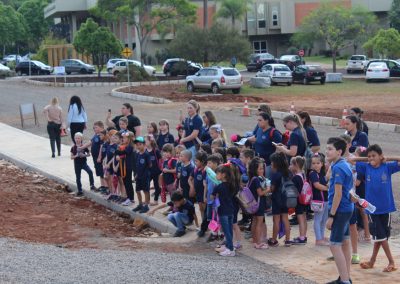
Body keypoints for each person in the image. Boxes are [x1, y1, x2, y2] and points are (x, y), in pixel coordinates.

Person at [354, 144, 400, 273]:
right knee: (380, 236)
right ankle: (391, 261)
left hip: (386, 207)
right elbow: (350, 160)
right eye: (368, 156)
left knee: (382, 237)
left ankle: (372, 261)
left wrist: (387, 157)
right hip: (371, 208)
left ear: (381, 156)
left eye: (374, 156)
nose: (370, 158)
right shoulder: (366, 167)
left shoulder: (388, 167)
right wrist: (366, 159)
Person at [325, 137, 354, 284]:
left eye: (330, 149)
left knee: (334, 245)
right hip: (347, 208)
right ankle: (345, 277)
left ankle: (344, 281)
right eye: (327, 148)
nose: (327, 151)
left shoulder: (338, 167)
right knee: (345, 242)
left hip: (340, 210)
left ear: (339, 151)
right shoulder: (343, 164)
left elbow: (338, 193)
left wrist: (331, 215)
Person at [211, 163, 239, 257]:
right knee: (229, 230)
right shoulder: (232, 185)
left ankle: (230, 250)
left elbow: (212, 197)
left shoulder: (218, 187)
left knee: (226, 231)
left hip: (223, 211)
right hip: (231, 210)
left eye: (217, 173)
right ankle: (229, 246)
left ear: (223, 175)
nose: (216, 175)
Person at [248, 112, 282, 178]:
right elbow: (256, 138)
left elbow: (279, 149)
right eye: (258, 120)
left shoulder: (274, 133)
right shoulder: (259, 130)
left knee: (267, 182)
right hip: (258, 163)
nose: (258, 122)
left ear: (267, 121)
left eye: (260, 120)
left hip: (268, 165)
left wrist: (273, 163)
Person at [268, 152, 291, 247]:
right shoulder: (288, 173)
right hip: (286, 199)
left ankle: (274, 240)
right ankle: (288, 240)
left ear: (276, 163)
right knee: (286, 219)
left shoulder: (276, 175)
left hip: (277, 200)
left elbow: (272, 189)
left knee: (276, 220)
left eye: (272, 162)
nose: (271, 164)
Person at [198, 154, 221, 239]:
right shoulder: (208, 174)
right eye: (207, 163)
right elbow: (206, 186)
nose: (208, 165)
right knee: (208, 217)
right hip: (209, 200)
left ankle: (216, 233)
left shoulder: (219, 174)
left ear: (216, 164)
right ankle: (206, 230)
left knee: (216, 217)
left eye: (210, 163)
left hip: (217, 200)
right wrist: (205, 196)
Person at [248, 157, 269, 249]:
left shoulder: (252, 178)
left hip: (253, 204)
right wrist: (268, 189)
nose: (262, 170)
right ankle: (258, 242)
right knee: (259, 222)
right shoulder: (256, 179)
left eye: (262, 168)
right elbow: (260, 193)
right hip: (259, 204)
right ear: (255, 169)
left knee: (254, 221)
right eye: (260, 169)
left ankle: (254, 240)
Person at [309, 153, 329, 246]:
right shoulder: (313, 174)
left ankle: (321, 236)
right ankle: (318, 239)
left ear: (322, 163)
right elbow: (317, 185)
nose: (315, 165)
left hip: (325, 200)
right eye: (313, 163)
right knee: (318, 219)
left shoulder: (322, 173)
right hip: (318, 200)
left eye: (317, 163)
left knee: (324, 219)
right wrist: (328, 188)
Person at [289, 156, 308, 245]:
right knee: (304, 219)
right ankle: (304, 236)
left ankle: (302, 238)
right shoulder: (303, 174)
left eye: (291, 165)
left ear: (296, 165)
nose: (289, 167)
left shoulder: (296, 177)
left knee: (300, 219)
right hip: (305, 200)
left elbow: (294, 191)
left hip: (299, 201)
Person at [70, 132, 95, 197]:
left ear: (81, 139)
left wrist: (84, 155)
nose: (77, 139)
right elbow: (71, 157)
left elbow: (89, 154)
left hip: (84, 163)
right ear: (74, 139)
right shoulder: (73, 147)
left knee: (90, 172)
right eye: (76, 138)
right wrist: (77, 155)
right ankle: (80, 190)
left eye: (78, 138)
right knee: (78, 177)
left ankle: (92, 185)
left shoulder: (84, 146)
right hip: (77, 164)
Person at [132, 136, 152, 213]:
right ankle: (140, 204)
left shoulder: (146, 154)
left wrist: (146, 172)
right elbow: (137, 166)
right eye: (137, 145)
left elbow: (150, 165)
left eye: (140, 144)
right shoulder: (137, 154)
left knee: (146, 190)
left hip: (145, 176)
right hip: (138, 176)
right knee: (137, 190)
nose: (138, 146)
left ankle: (146, 205)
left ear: (144, 144)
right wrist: (136, 175)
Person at [115, 131, 135, 206]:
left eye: (125, 138)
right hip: (123, 166)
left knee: (128, 183)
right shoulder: (124, 145)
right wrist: (118, 152)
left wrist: (116, 152)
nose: (123, 139)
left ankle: (131, 198)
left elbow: (123, 152)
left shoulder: (130, 146)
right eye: (123, 137)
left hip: (128, 167)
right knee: (125, 182)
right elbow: (120, 151)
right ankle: (128, 197)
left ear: (129, 139)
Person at [190, 151, 208, 222]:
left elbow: (205, 185)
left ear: (203, 161)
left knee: (206, 209)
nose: (195, 163)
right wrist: (192, 187)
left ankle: (207, 225)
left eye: (196, 161)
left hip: (204, 193)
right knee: (201, 209)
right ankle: (203, 222)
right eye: (194, 161)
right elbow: (190, 179)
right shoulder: (196, 170)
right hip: (198, 193)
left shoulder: (206, 171)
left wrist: (204, 196)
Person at [146, 135, 162, 206]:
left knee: (156, 186)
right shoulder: (145, 150)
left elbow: (161, 160)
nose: (144, 143)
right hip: (148, 172)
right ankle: (147, 200)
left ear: (150, 142)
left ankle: (155, 200)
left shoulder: (156, 151)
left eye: (146, 141)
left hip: (156, 172)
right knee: (146, 185)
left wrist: (160, 169)